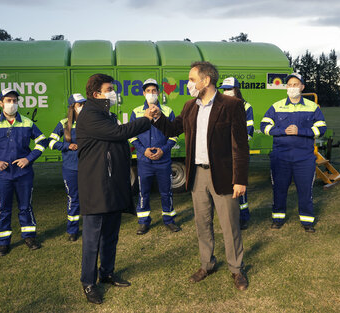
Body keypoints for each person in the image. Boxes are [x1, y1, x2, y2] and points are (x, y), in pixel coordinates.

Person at [149, 61, 250, 290]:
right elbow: (174, 129)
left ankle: (236, 269)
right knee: (202, 224)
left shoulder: (232, 105)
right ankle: (207, 264)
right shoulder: (189, 106)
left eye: (192, 79)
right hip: (197, 175)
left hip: (223, 176)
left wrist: (240, 179)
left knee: (229, 225)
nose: (189, 84)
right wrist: (157, 117)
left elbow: (240, 147)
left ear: (206, 80)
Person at [76, 73, 153, 304]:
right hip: (97, 186)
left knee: (110, 234)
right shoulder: (90, 114)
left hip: (111, 185)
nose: (113, 92)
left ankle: (107, 273)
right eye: (109, 88)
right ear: (96, 94)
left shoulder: (106, 114)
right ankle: (88, 283)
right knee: (92, 238)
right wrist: (146, 118)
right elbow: (119, 134)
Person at [0, 88, 47, 256]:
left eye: (14, 100)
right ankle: (3, 242)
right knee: (3, 209)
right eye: (8, 101)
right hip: (2, 176)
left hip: (24, 174)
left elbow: (42, 142)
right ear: (1, 103)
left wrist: (29, 158)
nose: (12, 104)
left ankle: (29, 237)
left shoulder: (27, 122)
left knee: (25, 207)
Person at [260, 73, 327, 233]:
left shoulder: (312, 107)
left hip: (304, 158)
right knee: (279, 189)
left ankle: (307, 221)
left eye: (296, 84)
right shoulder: (276, 106)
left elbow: (321, 128)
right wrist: (282, 131)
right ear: (286, 87)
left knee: (305, 191)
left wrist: (301, 131)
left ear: (302, 87)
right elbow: (264, 126)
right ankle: (277, 219)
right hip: (280, 157)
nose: (292, 87)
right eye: (289, 84)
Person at [129, 78, 180, 235]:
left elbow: (174, 135)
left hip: (163, 160)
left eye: (154, 91)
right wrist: (143, 150)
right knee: (143, 192)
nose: (151, 93)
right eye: (148, 91)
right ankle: (143, 222)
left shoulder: (167, 111)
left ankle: (169, 220)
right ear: (143, 93)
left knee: (166, 191)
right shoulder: (136, 112)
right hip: (144, 161)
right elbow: (131, 135)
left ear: (158, 92)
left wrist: (163, 150)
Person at [49, 93, 86, 241]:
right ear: (72, 107)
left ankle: (91, 227)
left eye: (84, 104)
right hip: (70, 168)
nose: (83, 107)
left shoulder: (90, 121)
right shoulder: (64, 123)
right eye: (79, 104)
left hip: (88, 167)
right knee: (73, 198)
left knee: (90, 199)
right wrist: (67, 145)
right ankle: (72, 230)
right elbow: (51, 142)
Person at [219, 77, 254, 230]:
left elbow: (249, 131)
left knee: (240, 187)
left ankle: (244, 216)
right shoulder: (218, 106)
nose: (226, 92)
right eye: (224, 89)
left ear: (236, 89)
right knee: (225, 186)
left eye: (229, 89)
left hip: (238, 153)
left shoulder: (246, 107)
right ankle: (230, 217)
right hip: (222, 154)